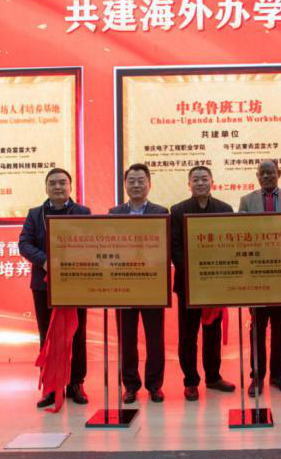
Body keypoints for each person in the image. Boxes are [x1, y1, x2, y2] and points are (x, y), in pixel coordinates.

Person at [18, 167, 91, 408]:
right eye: (53, 183)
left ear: (70, 186)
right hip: (44, 285)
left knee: (76, 334)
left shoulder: (82, 213)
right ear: (46, 187)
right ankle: (50, 386)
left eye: (62, 183)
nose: (58, 187)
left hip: (76, 283)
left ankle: (76, 383)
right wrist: (45, 261)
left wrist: (71, 263)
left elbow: (91, 242)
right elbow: (24, 244)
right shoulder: (35, 214)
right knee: (48, 335)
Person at [170, 165, 236, 401]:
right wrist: (195, 273)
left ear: (212, 182)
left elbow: (230, 245)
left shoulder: (225, 210)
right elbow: (175, 248)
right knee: (188, 335)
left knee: (212, 333)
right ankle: (190, 381)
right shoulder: (177, 210)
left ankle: (213, 377)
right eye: (195, 179)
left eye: (204, 179)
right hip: (188, 284)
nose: (200, 183)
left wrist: (214, 273)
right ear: (189, 184)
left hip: (215, 283)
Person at [238, 160, 281, 396]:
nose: (266, 176)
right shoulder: (246, 201)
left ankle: (277, 374)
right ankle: (257, 376)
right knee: (257, 328)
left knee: (279, 327)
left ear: (278, 173)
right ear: (257, 176)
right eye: (262, 173)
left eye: (270, 172)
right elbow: (240, 234)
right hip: (256, 274)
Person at [109, 163, 168, 404]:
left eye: (140, 180)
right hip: (123, 285)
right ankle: (130, 386)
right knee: (127, 339)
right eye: (131, 181)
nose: (136, 185)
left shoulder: (161, 212)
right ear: (125, 185)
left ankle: (155, 386)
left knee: (155, 338)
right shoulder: (114, 214)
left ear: (149, 184)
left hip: (152, 285)